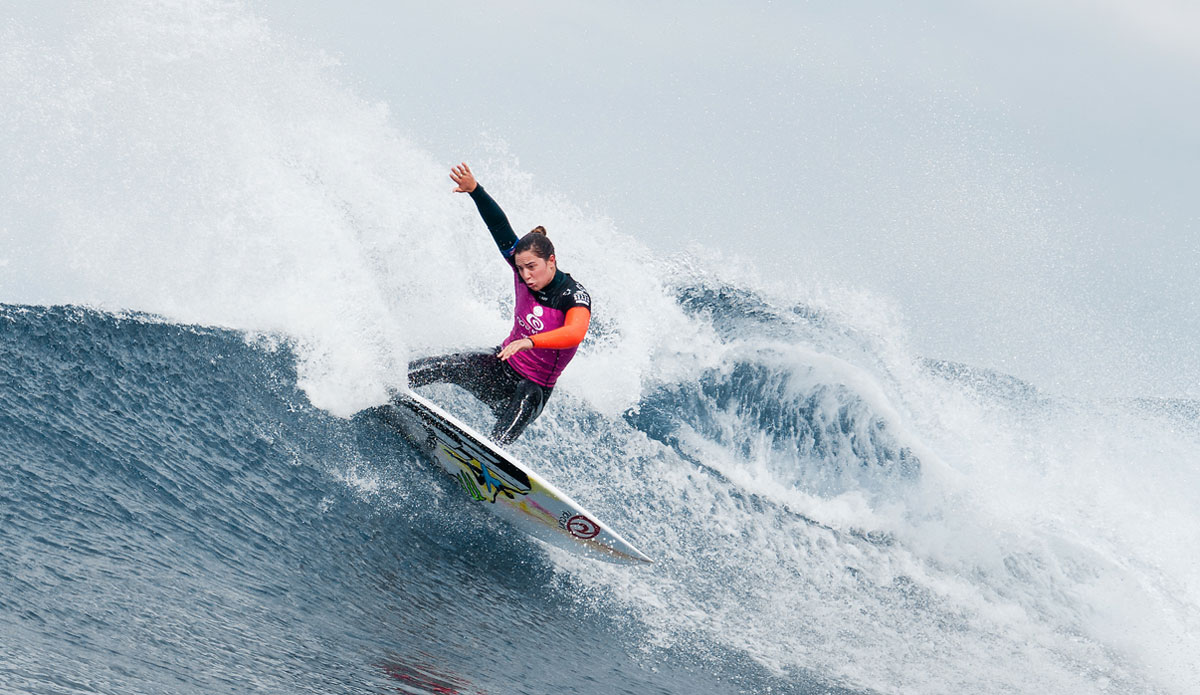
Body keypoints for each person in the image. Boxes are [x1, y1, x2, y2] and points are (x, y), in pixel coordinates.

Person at [405, 163, 592, 446]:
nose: (526, 275)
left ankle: (491, 461)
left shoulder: (572, 295)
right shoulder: (521, 269)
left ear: (551, 261)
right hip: (501, 366)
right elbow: (499, 226)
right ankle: (386, 386)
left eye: (532, 267)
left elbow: (574, 333)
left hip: (531, 388)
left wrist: (529, 341)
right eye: (521, 268)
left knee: (522, 406)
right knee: (447, 364)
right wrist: (475, 191)